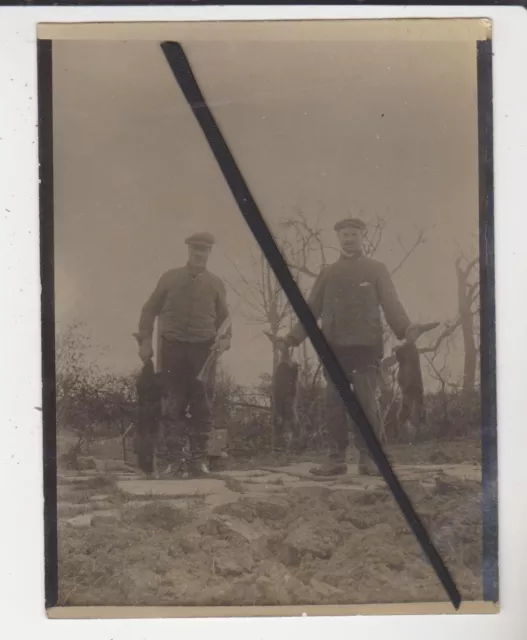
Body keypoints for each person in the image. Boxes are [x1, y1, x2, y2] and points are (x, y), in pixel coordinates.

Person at [281, 218, 420, 477]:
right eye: (344, 235)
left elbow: (391, 304)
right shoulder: (328, 273)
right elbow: (311, 310)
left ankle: (370, 458)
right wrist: (292, 338)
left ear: (361, 237)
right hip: (333, 348)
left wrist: (406, 329)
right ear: (338, 238)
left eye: (354, 234)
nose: (349, 239)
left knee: (366, 402)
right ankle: (336, 459)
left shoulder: (376, 269)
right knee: (334, 402)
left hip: (366, 347)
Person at [135, 232, 231, 476]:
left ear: (210, 253)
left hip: (204, 352)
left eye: (204, 250)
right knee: (172, 404)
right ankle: (173, 461)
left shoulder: (216, 284)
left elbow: (226, 321)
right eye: (195, 249)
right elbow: (148, 311)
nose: (199, 254)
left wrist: (225, 341)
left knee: (203, 406)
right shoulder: (170, 278)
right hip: (173, 350)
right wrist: (145, 341)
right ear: (188, 251)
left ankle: (199, 461)